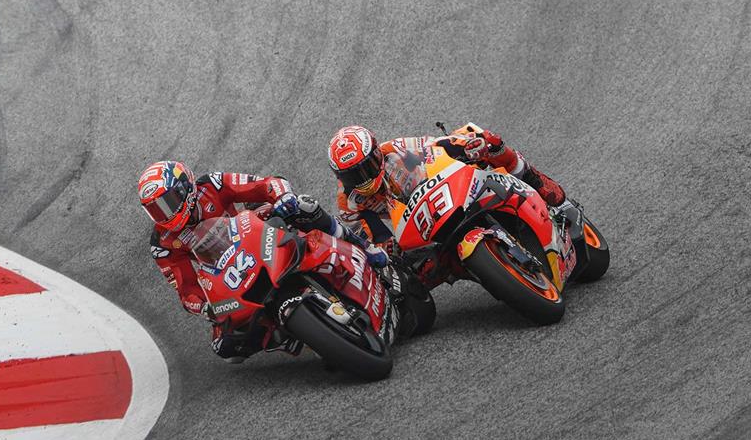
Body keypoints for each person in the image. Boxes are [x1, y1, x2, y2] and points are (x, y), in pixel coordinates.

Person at [138, 160, 387, 363]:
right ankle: (287, 332)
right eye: (155, 210)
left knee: (303, 207)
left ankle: (363, 246)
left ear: (184, 189)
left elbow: (267, 184)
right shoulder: (163, 243)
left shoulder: (211, 185)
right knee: (225, 347)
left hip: (254, 234)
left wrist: (283, 197)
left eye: (166, 203)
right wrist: (205, 308)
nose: (165, 214)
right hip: (229, 273)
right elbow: (187, 289)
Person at [328, 123, 569, 280]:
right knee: (410, 273)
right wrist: (388, 253)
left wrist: (468, 146)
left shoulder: (395, 150)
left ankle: (533, 177)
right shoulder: (349, 202)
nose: (363, 178)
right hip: (414, 221)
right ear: (340, 176)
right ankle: (479, 267)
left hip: (440, 188)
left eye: (366, 167)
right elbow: (376, 238)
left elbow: (435, 146)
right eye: (352, 175)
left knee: (489, 142)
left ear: (377, 155)